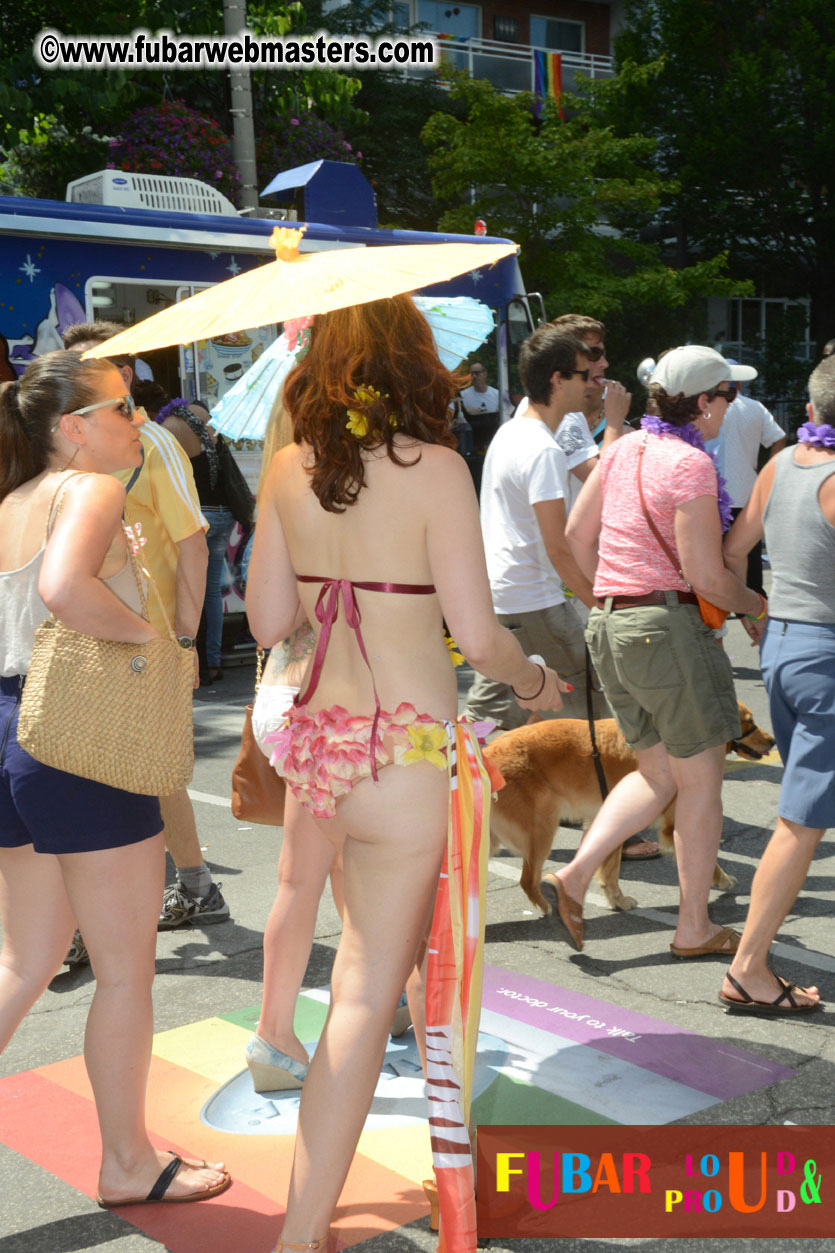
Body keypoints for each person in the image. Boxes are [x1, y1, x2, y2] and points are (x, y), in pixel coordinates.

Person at [245, 294, 566, 1251]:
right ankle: (301, 1233)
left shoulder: (282, 471)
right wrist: (535, 677)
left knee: (347, 976)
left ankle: (305, 1221)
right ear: (410, 362)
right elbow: (475, 636)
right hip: (410, 756)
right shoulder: (434, 470)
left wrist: (325, 578)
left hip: (320, 751)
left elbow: (265, 626)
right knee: (361, 992)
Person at [0, 351, 230, 1206]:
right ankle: (129, 1162)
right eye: (121, 409)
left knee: (22, 963)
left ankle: (131, 1155)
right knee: (127, 971)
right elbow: (65, 590)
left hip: (14, 730)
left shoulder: (14, 500)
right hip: (79, 739)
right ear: (71, 428)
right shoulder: (90, 490)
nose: (137, 422)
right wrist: (152, 638)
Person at [547, 345, 766, 957]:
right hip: (666, 630)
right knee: (701, 783)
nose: (732, 403)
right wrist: (757, 604)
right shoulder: (689, 464)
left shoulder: (620, 449)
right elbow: (706, 577)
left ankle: (577, 869)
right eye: (727, 393)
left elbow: (573, 536)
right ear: (702, 403)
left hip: (612, 627)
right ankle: (693, 927)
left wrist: (610, 599)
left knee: (658, 773)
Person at [64, 324, 227, 933]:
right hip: (88, 633)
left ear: (124, 379)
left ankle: (187, 887)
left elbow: (193, 544)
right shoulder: (75, 438)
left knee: (144, 768)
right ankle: (186, 887)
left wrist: (184, 641)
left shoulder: (150, 442)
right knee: (97, 765)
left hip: (146, 635)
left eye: (86, 374)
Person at [717, 355, 835, 1014]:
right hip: (823, 656)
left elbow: (735, 550)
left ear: (812, 411)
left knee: (808, 805)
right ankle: (747, 965)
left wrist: (753, 612)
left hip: (783, 647)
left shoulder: (780, 462)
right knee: (798, 820)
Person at [463, 326, 609, 729]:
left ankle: (463, 781)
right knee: (589, 718)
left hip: (504, 596)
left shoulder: (510, 433)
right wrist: (601, 606)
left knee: (491, 718)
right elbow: (558, 546)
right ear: (558, 379)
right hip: (535, 603)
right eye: (582, 374)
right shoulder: (543, 449)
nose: (590, 381)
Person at [140, 383, 239, 685]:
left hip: (195, 515)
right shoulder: (203, 420)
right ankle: (213, 660)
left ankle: (196, 657)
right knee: (209, 593)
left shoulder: (163, 432)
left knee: (188, 586)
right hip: (222, 513)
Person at [705, 370, 785, 595]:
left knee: (713, 554)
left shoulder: (702, 406)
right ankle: (753, 603)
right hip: (746, 494)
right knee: (748, 556)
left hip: (711, 494)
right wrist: (767, 474)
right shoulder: (755, 407)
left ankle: (720, 602)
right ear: (738, 383)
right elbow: (778, 438)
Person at [458, 361, 501, 495]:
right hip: (471, 447)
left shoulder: (496, 395)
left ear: (485, 374)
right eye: (471, 374)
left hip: (492, 445)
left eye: (477, 373)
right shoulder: (463, 396)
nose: (474, 377)